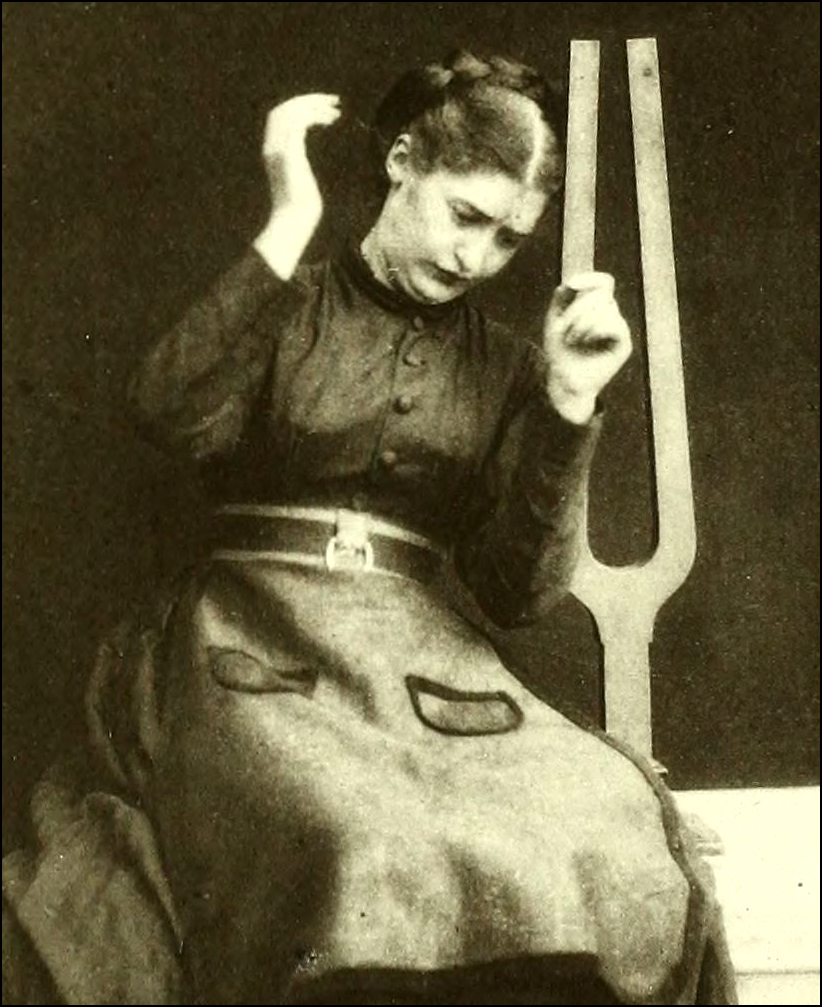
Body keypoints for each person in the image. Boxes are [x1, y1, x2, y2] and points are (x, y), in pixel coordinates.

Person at [2, 51, 737, 1005]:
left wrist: (567, 402)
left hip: (426, 668)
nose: (474, 257)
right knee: (345, 831)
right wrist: (287, 224)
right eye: (465, 214)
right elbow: (166, 412)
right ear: (401, 163)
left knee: (602, 824)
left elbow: (520, 592)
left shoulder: (512, 366)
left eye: (508, 239)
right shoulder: (289, 305)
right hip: (246, 644)